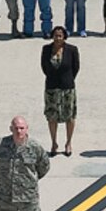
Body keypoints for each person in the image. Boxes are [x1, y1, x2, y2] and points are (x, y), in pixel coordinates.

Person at [39, 25, 80, 155]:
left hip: (67, 88)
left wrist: (67, 79)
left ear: (64, 37)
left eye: (60, 36)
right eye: (56, 35)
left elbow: (75, 67)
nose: (58, 38)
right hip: (51, 87)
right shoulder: (46, 49)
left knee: (70, 116)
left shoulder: (72, 50)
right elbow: (44, 67)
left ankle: (68, 143)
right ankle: (54, 143)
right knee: (52, 117)